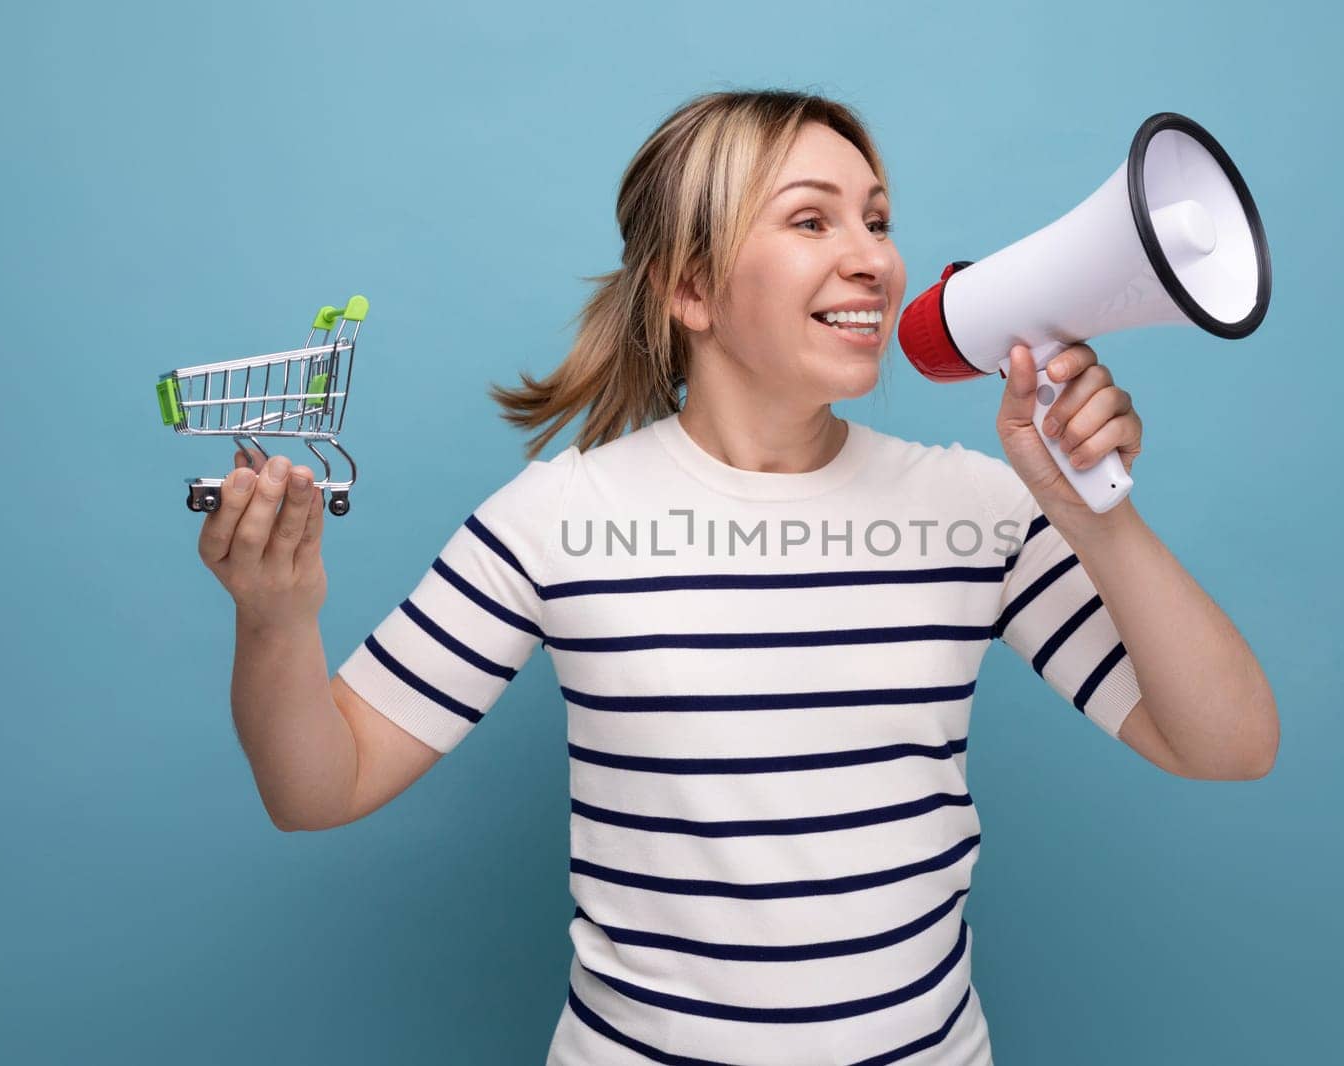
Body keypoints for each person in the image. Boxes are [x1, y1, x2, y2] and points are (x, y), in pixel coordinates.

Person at [198, 88, 1279, 1065]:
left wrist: (1100, 513)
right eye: (812, 219)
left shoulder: (978, 507)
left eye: (877, 218)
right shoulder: (558, 519)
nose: (870, 257)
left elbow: (1227, 745)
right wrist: (276, 619)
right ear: (692, 290)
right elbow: (315, 787)